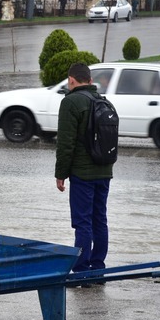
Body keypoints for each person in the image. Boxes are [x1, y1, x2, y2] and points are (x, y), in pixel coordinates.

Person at [55, 63, 114, 277]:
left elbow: (65, 143)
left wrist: (60, 174)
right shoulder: (104, 102)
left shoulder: (70, 102)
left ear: (71, 80)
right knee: (100, 219)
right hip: (105, 171)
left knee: (83, 223)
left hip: (83, 174)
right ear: (90, 80)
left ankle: (81, 270)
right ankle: (98, 269)